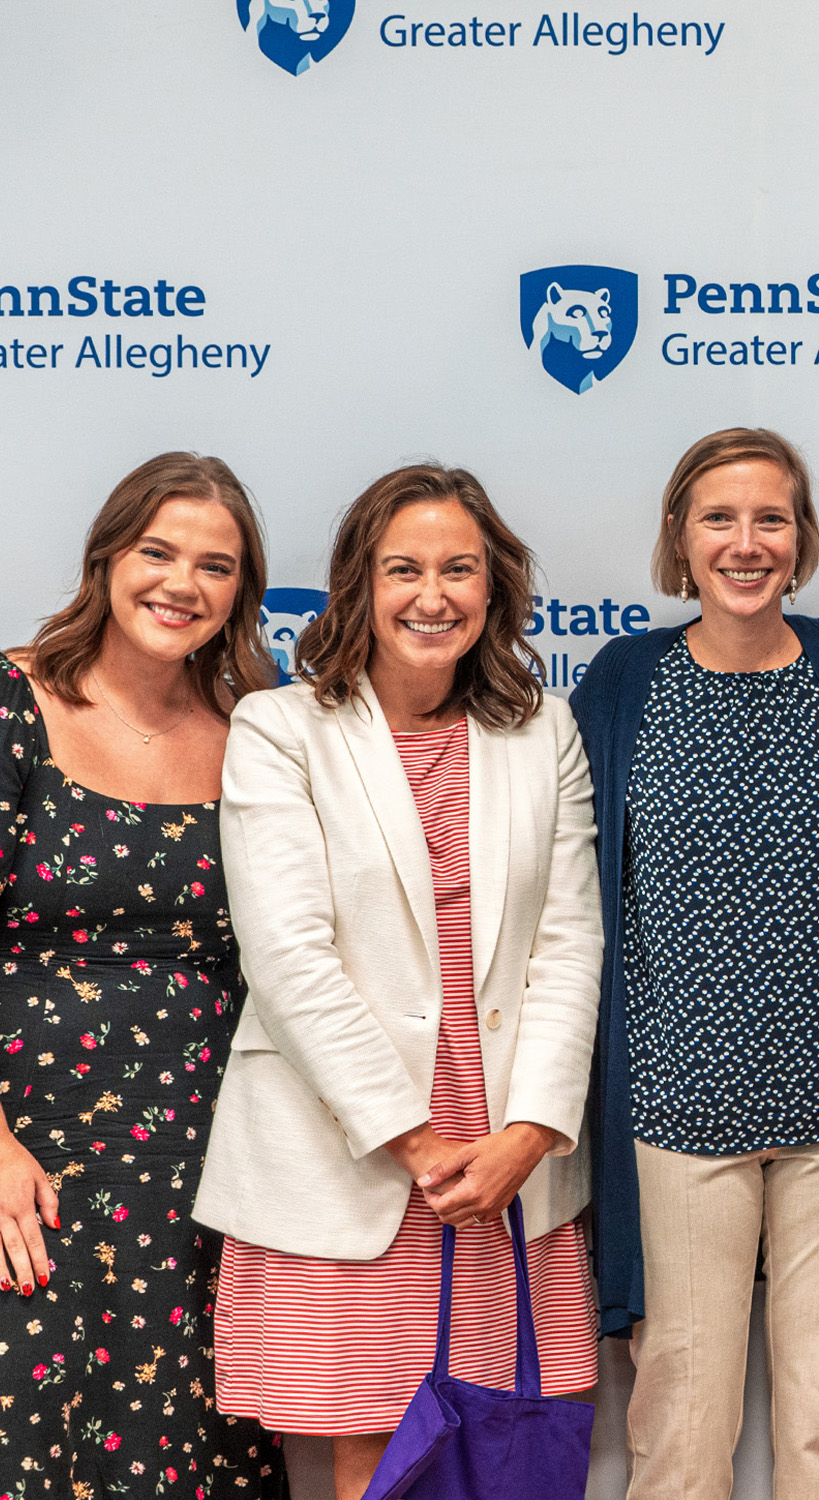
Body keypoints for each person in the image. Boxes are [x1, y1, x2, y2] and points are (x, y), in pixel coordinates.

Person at [191, 465, 603, 1500]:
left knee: (498, 1455)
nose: (433, 595)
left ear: (493, 588)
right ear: (356, 587)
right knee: (372, 1459)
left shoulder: (543, 731)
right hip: (356, 1152)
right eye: (404, 569)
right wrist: (414, 1142)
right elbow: (287, 955)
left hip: (509, 1160)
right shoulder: (280, 729)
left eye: (459, 569)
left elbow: (569, 942)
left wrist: (531, 1131)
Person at [570, 427, 819, 1500]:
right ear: (680, 537)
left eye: (770, 518)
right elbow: (571, 893)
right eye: (718, 518)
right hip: (673, 1122)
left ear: (801, 538)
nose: (745, 542)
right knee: (679, 1439)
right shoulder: (624, 680)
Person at [0, 453, 287, 1500]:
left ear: (241, 593)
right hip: (29, 1162)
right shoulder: (15, 702)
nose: (182, 583)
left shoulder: (259, 736)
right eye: (158, 551)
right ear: (108, 557)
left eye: (216, 565)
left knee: (181, 1455)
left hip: (200, 1168)